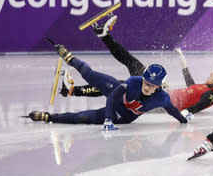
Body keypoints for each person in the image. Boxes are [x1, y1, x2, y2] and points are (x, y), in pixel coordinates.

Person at [59, 14, 213, 117]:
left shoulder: (211, 95)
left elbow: (199, 105)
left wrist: (187, 113)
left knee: (119, 84)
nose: (211, 74)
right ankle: (103, 35)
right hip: (159, 93)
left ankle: (72, 90)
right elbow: (191, 86)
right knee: (132, 63)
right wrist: (183, 62)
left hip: (155, 100)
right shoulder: (207, 88)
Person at [24, 43, 189, 129]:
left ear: (159, 87)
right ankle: (70, 58)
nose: (147, 87)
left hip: (123, 118)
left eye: (152, 86)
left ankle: (49, 117)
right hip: (116, 100)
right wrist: (108, 119)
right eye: (146, 83)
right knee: (90, 75)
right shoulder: (133, 82)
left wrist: (183, 121)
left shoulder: (163, 98)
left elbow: (173, 111)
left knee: (80, 118)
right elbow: (112, 96)